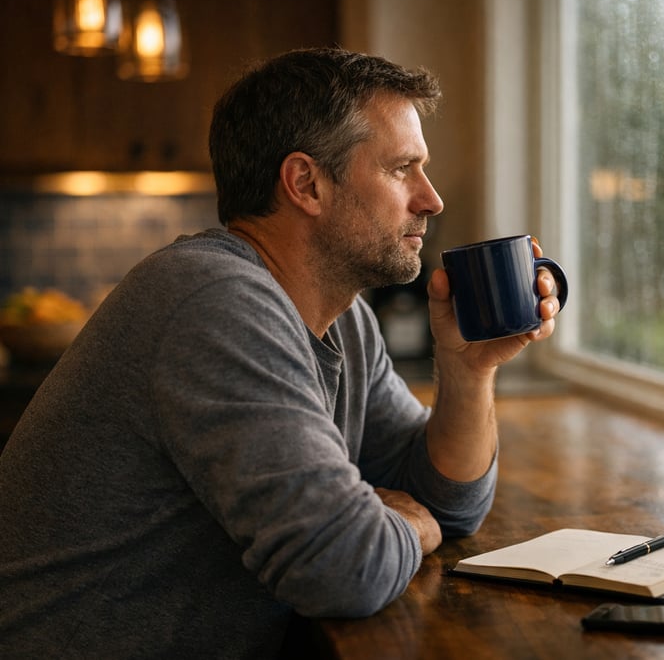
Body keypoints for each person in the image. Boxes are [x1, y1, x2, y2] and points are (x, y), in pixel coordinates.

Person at [0, 47, 561, 658]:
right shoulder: (212, 300)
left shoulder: (342, 317)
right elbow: (342, 567)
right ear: (306, 184)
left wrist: (468, 369)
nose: (431, 199)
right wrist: (406, 524)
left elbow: (449, 503)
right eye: (402, 169)